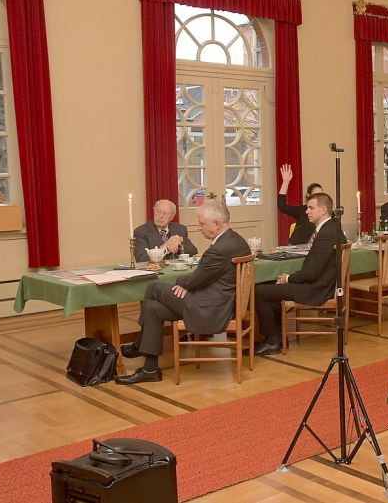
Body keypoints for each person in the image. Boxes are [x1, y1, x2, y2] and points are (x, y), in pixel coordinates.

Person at [117, 200, 251, 384]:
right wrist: (188, 284)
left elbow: (196, 278)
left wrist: (183, 283)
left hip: (209, 309)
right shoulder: (236, 240)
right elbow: (200, 277)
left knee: (154, 287)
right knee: (152, 308)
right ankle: (150, 368)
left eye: (202, 224)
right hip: (217, 303)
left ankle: (141, 345)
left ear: (217, 224)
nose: (199, 228)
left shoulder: (218, 250)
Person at [250, 193, 347, 355]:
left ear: (323, 210)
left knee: (258, 292)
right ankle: (279, 339)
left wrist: (288, 278)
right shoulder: (333, 228)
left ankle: (272, 340)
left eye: (310, 208)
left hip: (316, 289)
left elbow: (312, 273)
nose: (307, 211)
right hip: (320, 284)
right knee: (268, 288)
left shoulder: (326, 234)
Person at [133, 199, 198, 262]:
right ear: (154, 211)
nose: (161, 216)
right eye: (158, 211)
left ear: (172, 217)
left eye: (165, 213)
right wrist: (165, 246)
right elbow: (141, 259)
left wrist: (179, 246)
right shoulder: (141, 232)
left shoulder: (180, 229)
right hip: (156, 271)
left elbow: (193, 251)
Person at [278, 163, 323, 245]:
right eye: (315, 195)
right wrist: (285, 182)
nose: (318, 198)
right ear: (308, 196)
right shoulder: (302, 210)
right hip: (296, 248)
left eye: (321, 195)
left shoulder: (325, 211)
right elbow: (282, 206)